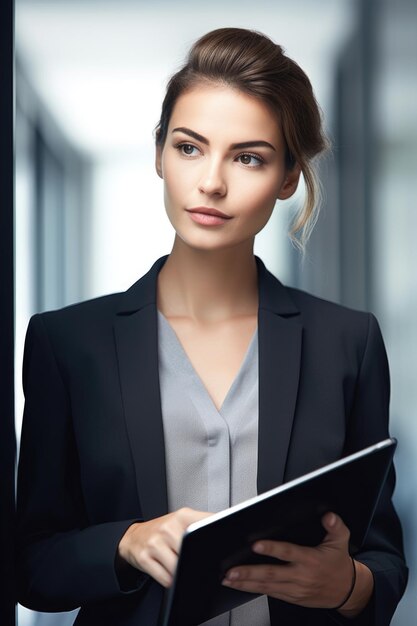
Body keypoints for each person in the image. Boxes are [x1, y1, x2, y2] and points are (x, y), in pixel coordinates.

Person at [16, 27, 407, 626]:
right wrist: (125, 544)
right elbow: (32, 566)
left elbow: (381, 555)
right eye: (190, 147)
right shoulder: (67, 344)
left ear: (287, 179)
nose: (212, 183)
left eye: (248, 157)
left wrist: (347, 585)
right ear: (158, 154)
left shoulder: (346, 344)